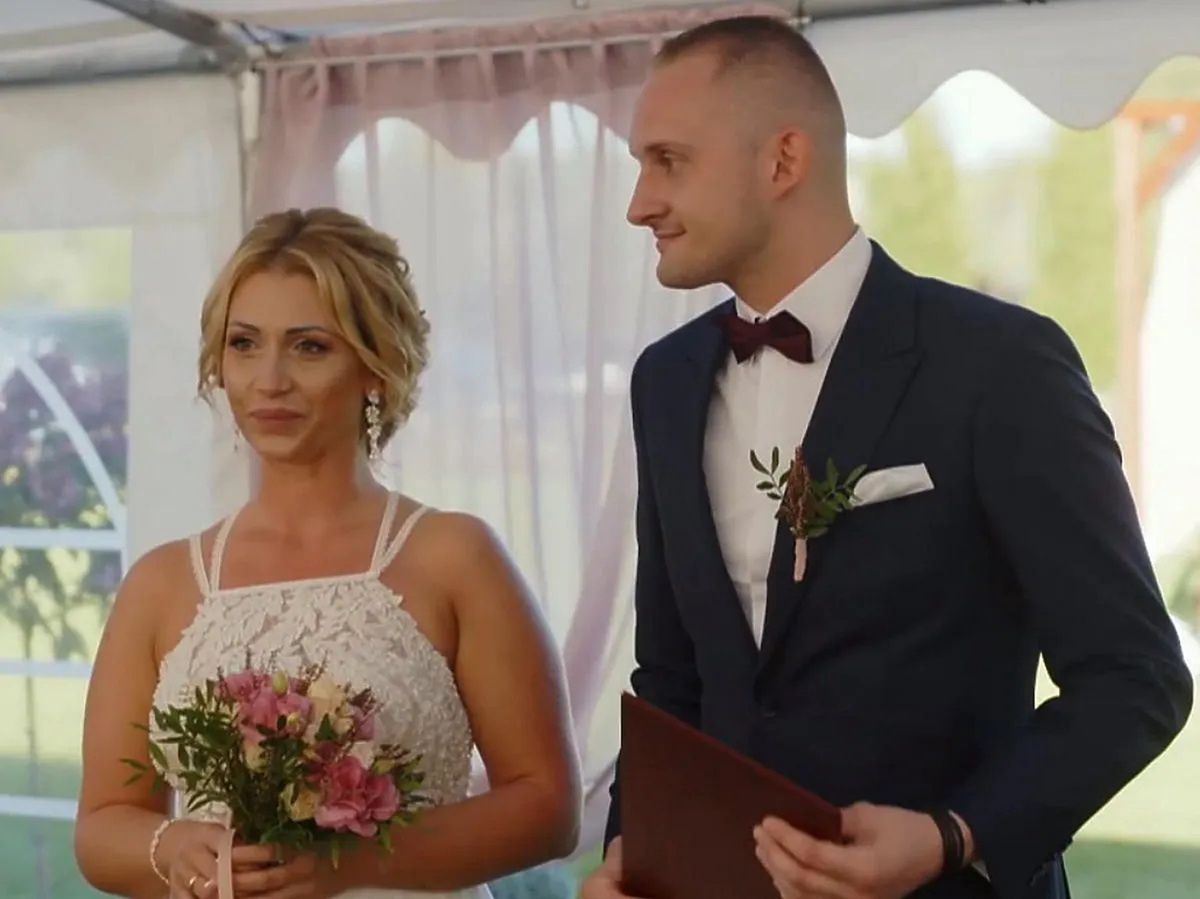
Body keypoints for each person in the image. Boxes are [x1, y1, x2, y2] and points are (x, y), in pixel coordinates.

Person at [582, 15, 1192, 899]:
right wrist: (633, 858)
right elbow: (671, 679)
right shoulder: (664, 382)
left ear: (783, 161)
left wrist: (954, 834)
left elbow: (1136, 677)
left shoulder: (999, 366)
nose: (639, 202)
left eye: (668, 161)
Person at [75, 208, 581, 899]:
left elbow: (548, 808)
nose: (269, 379)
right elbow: (102, 825)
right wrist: (173, 845)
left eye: (309, 346)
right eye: (243, 343)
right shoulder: (162, 584)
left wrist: (348, 865)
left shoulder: (455, 557)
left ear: (376, 366)